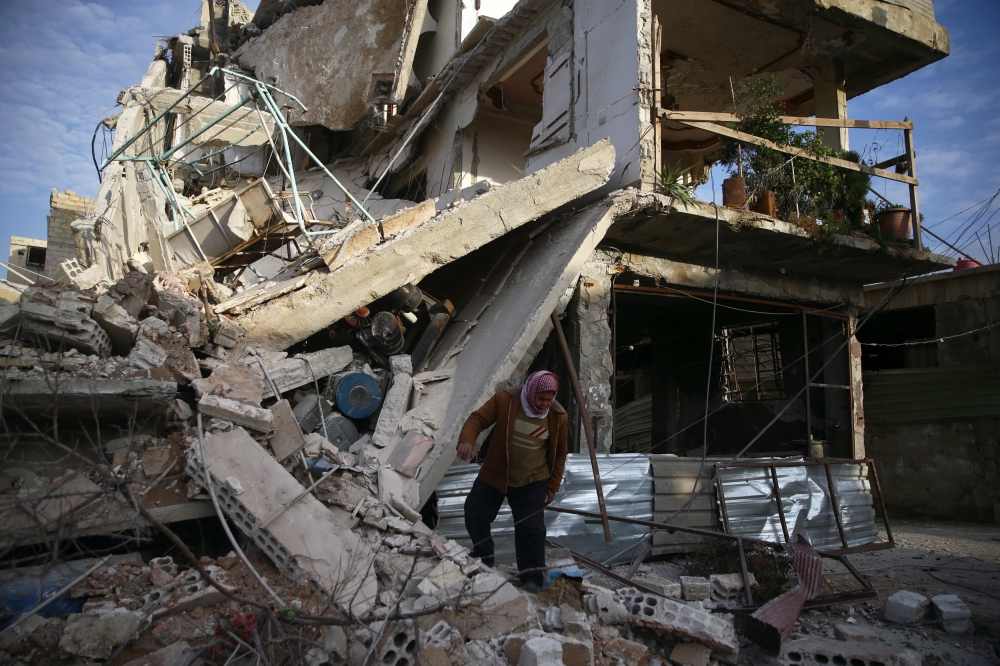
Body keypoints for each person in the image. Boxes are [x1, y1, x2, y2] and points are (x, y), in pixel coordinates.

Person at [456, 370, 568, 592]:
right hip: (496, 474)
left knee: (532, 530)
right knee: (475, 511)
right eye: (541, 398)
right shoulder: (505, 399)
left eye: (549, 399)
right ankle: (483, 556)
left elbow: (560, 453)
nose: (545, 403)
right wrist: (466, 441)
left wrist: (552, 485)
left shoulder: (557, 416)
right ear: (532, 391)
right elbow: (478, 419)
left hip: (532, 480)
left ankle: (532, 577)